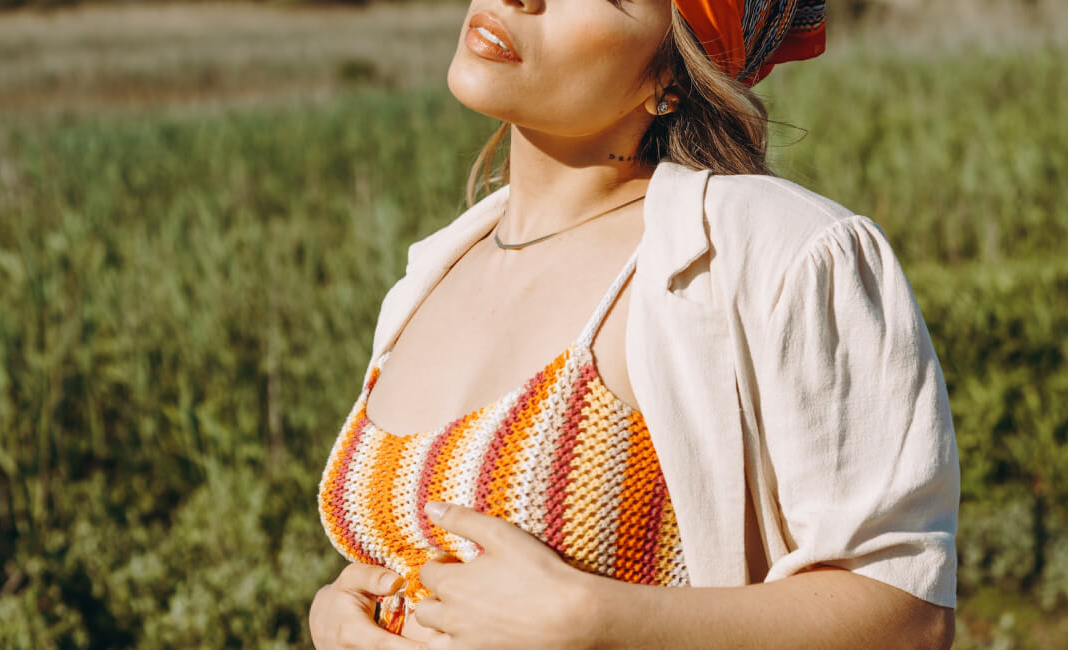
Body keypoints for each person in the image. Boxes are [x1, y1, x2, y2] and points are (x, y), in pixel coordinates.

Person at [309, 0, 960, 646]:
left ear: (671, 75)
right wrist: (347, 610)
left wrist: (602, 622)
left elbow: (909, 617)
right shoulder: (435, 270)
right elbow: (422, 555)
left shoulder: (778, 253)